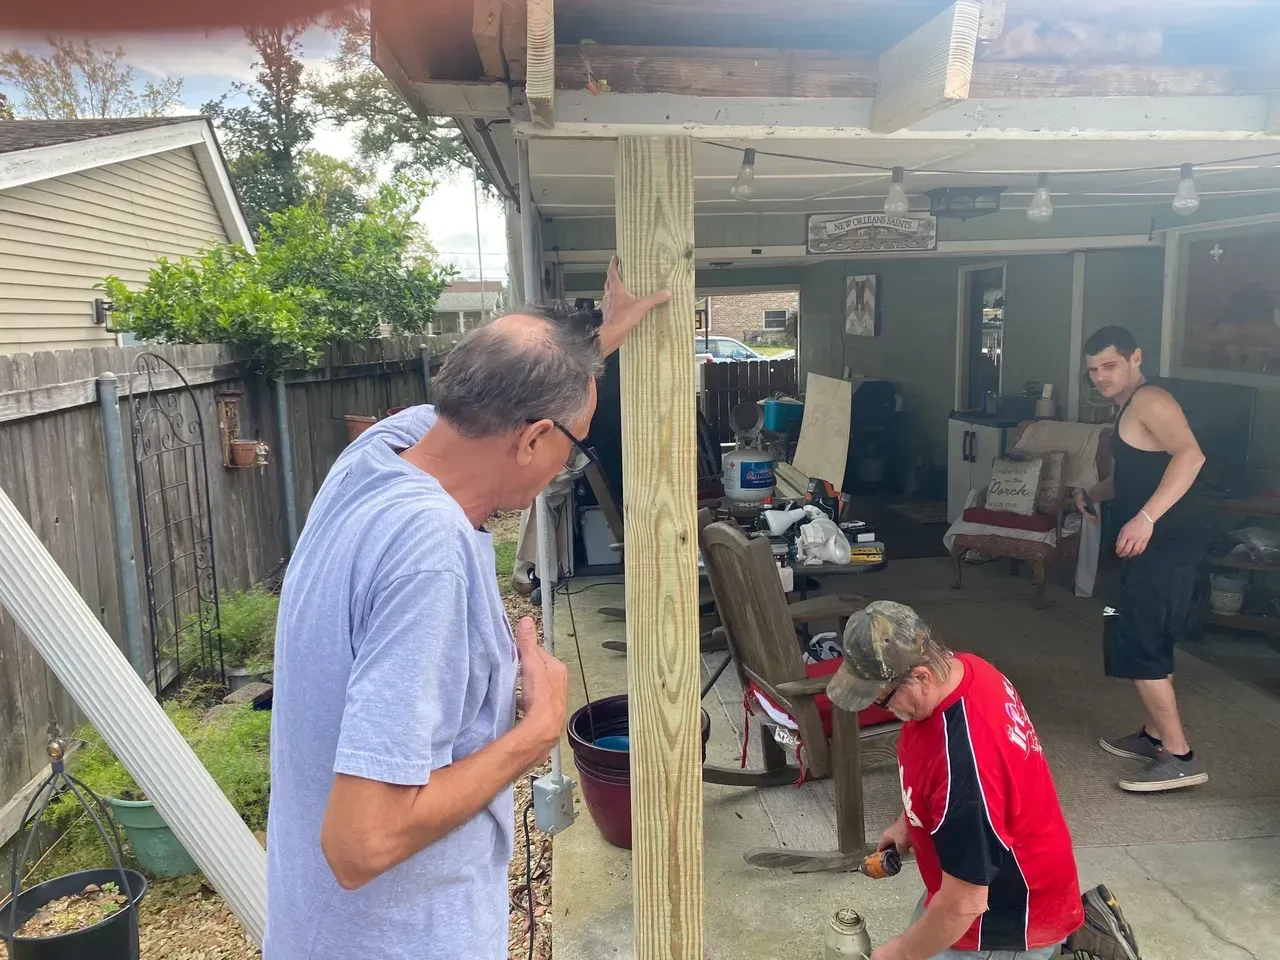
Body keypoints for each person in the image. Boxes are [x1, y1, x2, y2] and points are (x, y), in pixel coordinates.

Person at [263, 257, 670, 960]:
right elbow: (361, 843)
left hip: (317, 931)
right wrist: (535, 731)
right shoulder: (431, 555)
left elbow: (507, 385)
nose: (565, 462)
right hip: (395, 942)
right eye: (572, 444)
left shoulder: (375, 457)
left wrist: (595, 342)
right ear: (534, 437)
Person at [826, 601, 1141, 960]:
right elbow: (929, 764)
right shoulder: (965, 668)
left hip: (1002, 919)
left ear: (922, 676)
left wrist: (897, 953)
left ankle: (1063, 944)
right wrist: (907, 821)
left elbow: (963, 904)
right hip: (998, 868)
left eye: (882, 700)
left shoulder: (966, 772)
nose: (884, 710)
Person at [1078, 325, 1208, 793]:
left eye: (1109, 365)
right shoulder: (1125, 408)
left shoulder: (1151, 399)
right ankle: (1153, 734)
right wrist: (1095, 491)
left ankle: (1179, 756)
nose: (1100, 377)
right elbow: (1139, 472)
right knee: (1135, 632)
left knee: (1140, 640)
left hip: (1166, 543)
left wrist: (1146, 519)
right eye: (1093, 370)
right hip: (1145, 543)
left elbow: (1190, 457)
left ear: (1136, 357)